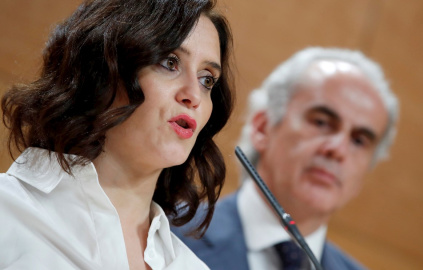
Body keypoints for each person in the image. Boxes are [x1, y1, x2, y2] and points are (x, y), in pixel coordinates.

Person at [0, 0, 234, 269]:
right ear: (103, 70)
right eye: (170, 63)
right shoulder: (7, 214)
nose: (193, 96)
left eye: (207, 79)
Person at [172, 47, 399, 269]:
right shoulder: (165, 235)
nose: (338, 150)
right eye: (321, 122)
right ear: (262, 128)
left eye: (359, 141)